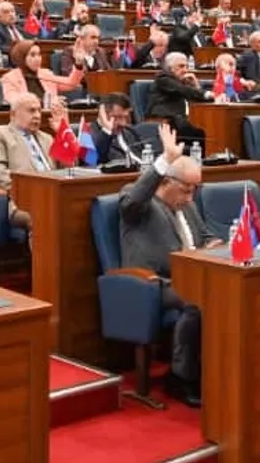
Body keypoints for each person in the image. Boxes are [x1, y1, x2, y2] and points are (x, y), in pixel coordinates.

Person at [118, 122, 218, 407]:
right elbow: (133, 200)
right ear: (165, 182)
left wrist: (216, 246)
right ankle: (181, 377)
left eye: (194, 190)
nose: (190, 197)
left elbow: (206, 237)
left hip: (194, 273)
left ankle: (216, 371)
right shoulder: (139, 203)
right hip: (155, 282)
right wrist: (165, 160)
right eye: (185, 190)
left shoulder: (187, 204)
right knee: (198, 299)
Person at [0, 94, 66, 228]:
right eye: (31, 110)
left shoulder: (47, 138)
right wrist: (32, 189)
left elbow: (68, 169)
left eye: (39, 110)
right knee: (44, 215)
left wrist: (62, 133)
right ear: (13, 114)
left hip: (53, 196)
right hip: (22, 200)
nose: (37, 115)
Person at [146, 53, 212, 145]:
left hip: (180, 120)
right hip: (165, 120)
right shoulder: (163, 78)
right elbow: (183, 90)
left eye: (186, 66)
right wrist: (207, 94)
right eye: (181, 66)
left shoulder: (180, 81)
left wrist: (196, 86)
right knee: (201, 133)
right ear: (170, 68)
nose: (185, 70)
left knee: (206, 129)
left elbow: (194, 96)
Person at [0, 41, 85, 105]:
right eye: (32, 55)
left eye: (39, 54)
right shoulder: (10, 78)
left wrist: (79, 63)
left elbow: (71, 83)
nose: (37, 59)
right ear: (21, 58)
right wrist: (46, 101)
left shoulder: (46, 74)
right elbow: (14, 101)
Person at [92, 93, 159, 165]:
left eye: (126, 117)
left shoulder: (129, 132)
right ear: (103, 115)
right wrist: (107, 130)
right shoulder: (90, 135)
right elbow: (93, 160)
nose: (123, 123)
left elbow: (143, 158)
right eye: (118, 117)